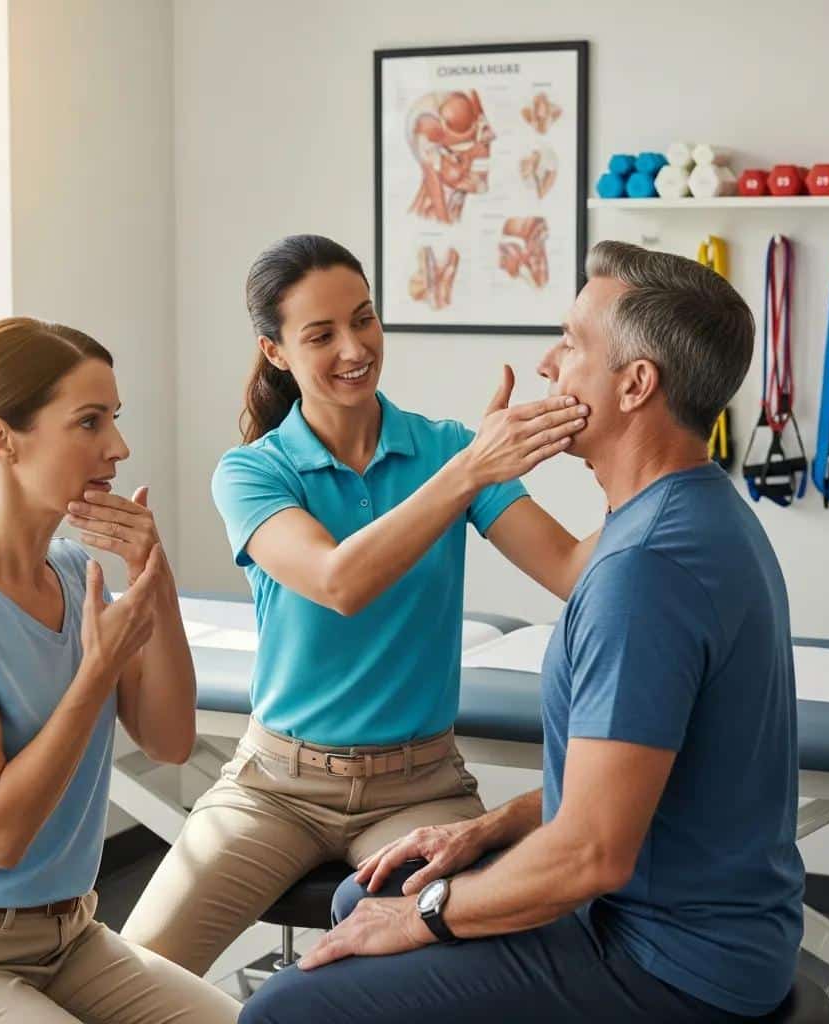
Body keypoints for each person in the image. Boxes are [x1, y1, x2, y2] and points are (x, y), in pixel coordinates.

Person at [241, 240, 805, 1023]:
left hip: (671, 962)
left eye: (571, 343)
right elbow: (633, 777)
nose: (547, 364)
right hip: (695, 925)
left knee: (283, 1011)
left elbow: (591, 852)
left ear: (637, 384)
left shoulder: (647, 568)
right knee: (362, 890)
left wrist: (424, 917)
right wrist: (486, 830)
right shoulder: (691, 515)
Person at [122, 234, 599, 975]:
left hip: (420, 789)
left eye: (365, 318)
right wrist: (468, 471)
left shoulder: (444, 449)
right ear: (275, 351)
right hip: (276, 786)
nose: (354, 347)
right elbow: (340, 582)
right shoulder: (252, 472)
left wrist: (661, 463)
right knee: (135, 972)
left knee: (489, 974)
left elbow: (574, 569)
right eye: (321, 334)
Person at [0, 318, 239, 1023]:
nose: (117, 448)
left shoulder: (74, 570)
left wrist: (154, 574)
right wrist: (96, 673)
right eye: (89, 423)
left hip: (68, 938)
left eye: (114, 420)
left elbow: (171, 742)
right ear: (1, 440)